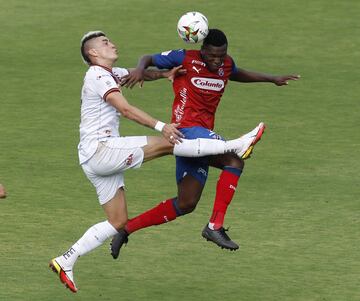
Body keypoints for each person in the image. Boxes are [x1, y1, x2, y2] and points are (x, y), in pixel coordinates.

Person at [49, 30, 265, 293]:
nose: (113, 43)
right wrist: (161, 125)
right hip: (102, 149)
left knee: (117, 221)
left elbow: (138, 74)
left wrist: (164, 75)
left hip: (93, 160)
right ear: (93, 53)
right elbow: (125, 109)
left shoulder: (109, 73)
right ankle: (235, 145)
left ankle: (66, 260)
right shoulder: (96, 75)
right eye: (106, 43)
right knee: (171, 142)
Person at [110, 28, 299, 258]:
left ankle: (126, 230)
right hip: (184, 130)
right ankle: (215, 225)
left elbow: (236, 73)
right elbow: (148, 58)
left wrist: (272, 79)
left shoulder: (225, 65)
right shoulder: (184, 57)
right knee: (234, 159)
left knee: (186, 203)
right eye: (212, 56)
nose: (217, 61)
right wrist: (140, 69)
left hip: (202, 138)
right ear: (202, 50)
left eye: (221, 55)